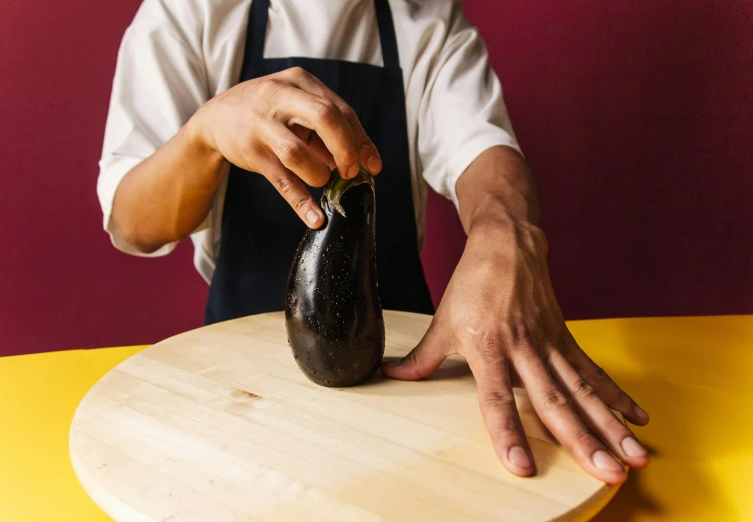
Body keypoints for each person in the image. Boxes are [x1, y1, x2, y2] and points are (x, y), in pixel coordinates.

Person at [98, 0, 650, 483]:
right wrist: (204, 134)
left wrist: (506, 230)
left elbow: (484, 150)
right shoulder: (186, 13)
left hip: (397, 377)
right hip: (237, 385)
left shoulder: (429, 18)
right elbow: (133, 224)